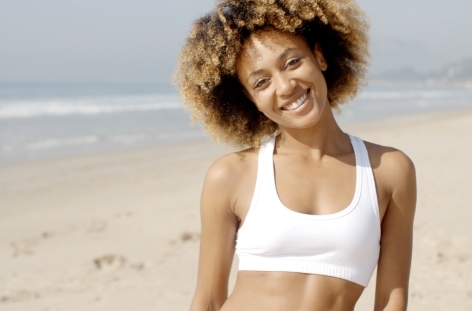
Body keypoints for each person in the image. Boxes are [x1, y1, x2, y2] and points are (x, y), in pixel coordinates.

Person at [173, 0, 417, 310]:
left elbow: (390, 300)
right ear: (251, 99)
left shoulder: (390, 170)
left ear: (319, 57)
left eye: (292, 62)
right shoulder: (230, 175)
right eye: (262, 82)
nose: (286, 86)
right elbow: (207, 301)